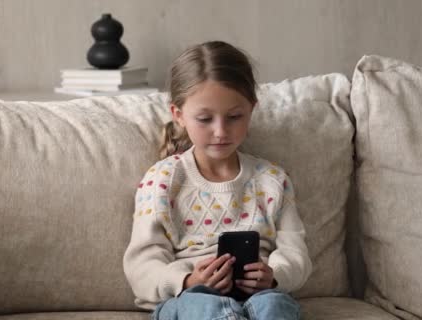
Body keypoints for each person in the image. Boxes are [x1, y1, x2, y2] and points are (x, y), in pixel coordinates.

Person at [123, 40, 312, 320]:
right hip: (189, 298)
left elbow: (297, 254)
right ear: (179, 115)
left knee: (275, 306)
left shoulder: (272, 180)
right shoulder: (163, 180)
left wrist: (274, 277)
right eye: (205, 119)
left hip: (260, 295)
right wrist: (187, 281)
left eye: (235, 116)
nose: (221, 131)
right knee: (205, 307)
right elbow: (142, 265)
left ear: (251, 109)